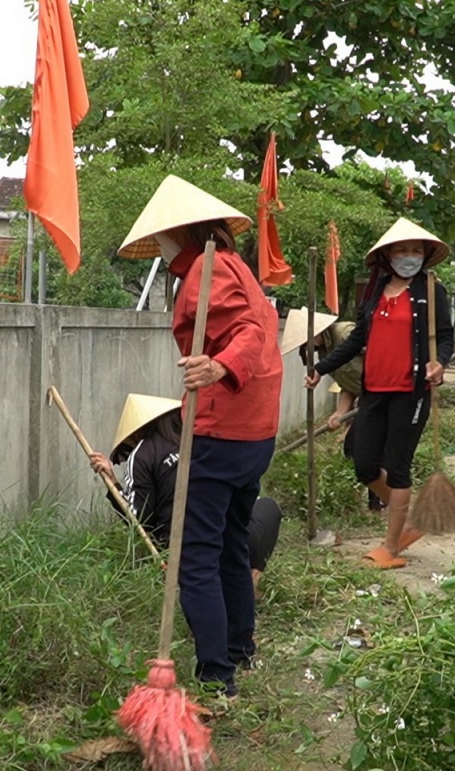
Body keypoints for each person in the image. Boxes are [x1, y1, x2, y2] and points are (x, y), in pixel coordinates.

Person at [118, 175, 283, 698]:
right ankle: (239, 649)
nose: (161, 247)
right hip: (255, 433)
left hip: (221, 430)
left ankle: (217, 676)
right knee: (232, 543)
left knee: (196, 557)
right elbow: (257, 330)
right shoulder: (235, 266)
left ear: (181, 233)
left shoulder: (205, 272)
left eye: (165, 236)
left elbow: (249, 335)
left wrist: (218, 366)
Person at [304, 217, 454, 570]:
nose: (409, 256)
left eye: (416, 250)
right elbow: (358, 339)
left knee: (398, 468)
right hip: (374, 391)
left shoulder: (431, 290)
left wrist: (439, 363)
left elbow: (444, 336)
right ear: (387, 256)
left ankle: (391, 547)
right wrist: (321, 368)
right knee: (364, 463)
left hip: (411, 392)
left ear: (425, 255)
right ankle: (411, 519)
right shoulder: (374, 293)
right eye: (402, 250)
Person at [88, 393, 282, 598]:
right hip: (231, 541)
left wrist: (113, 485)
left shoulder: (143, 455)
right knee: (267, 507)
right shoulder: (200, 442)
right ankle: (250, 575)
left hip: (184, 552)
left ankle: (234, 583)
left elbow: (139, 519)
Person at [280, 309, 383, 511]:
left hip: (381, 397)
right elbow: (349, 383)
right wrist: (340, 412)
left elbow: (381, 360)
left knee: (371, 450)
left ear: (314, 333)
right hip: (366, 399)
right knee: (352, 449)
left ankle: (378, 502)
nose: (305, 348)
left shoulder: (345, 335)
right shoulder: (326, 352)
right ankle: (366, 497)